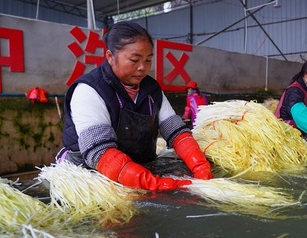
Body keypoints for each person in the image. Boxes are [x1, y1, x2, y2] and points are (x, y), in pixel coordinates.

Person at [56, 22, 213, 192]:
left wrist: (199, 166)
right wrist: (153, 183)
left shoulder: (152, 89)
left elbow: (176, 131)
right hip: (90, 175)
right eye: (134, 60)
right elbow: (99, 152)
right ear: (110, 56)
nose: (142, 68)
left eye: (148, 60)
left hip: (137, 170)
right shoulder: (90, 90)